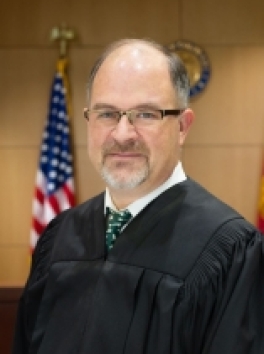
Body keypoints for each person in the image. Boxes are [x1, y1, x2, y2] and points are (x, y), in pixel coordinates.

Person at [13, 38, 264, 354]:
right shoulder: (60, 236)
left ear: (183, 126)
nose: (122, 134)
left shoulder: (230, 250)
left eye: (145, 114)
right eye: (107, 114)